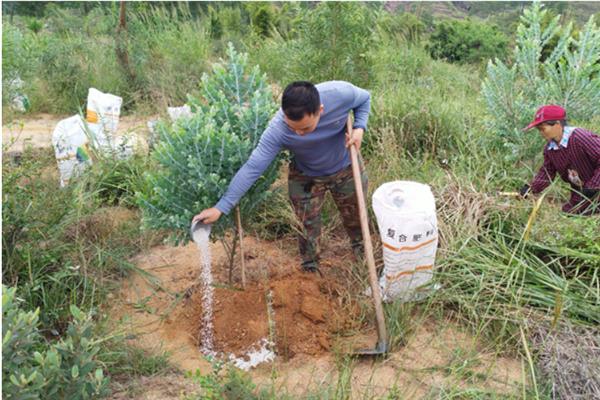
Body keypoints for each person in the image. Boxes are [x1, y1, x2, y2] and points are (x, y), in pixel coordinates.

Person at [193, 81, 371, 272]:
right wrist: (221, 207)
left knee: (356, 218)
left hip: (345, 167)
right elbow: (253, 167)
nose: (298, 134)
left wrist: (360, 127)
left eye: (305, 128)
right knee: (306, 226)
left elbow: (365, 98)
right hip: (306, 176)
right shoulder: (277, 130)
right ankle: (310, 268)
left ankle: (363, 256)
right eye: (292, 128)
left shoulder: (340, 93)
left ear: (320, 110)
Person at [520, 104, 600, 215]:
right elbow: (547, 172)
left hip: (595, 189)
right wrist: (531, 189)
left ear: (557, 124)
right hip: (582, 194)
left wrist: (594, 186)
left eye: (543, 129)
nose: (541, 133)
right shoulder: (550, 149)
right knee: (568, 214)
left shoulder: (580, 137)